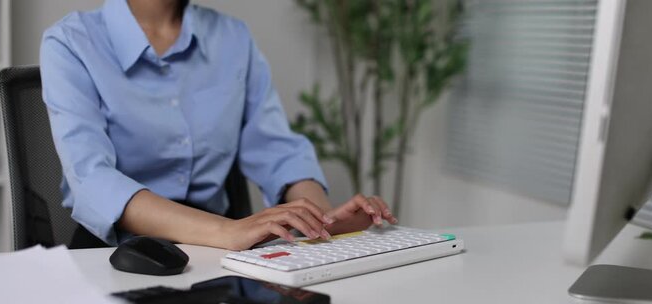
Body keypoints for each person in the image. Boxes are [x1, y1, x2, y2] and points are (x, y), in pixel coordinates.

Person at [40, 0, 397, 250]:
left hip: (219, 252)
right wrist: (227, 231)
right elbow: (91, 179)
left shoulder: (233, 38)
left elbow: (277, 150)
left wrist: (321, 219)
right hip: (113, 252)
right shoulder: (70, 42)